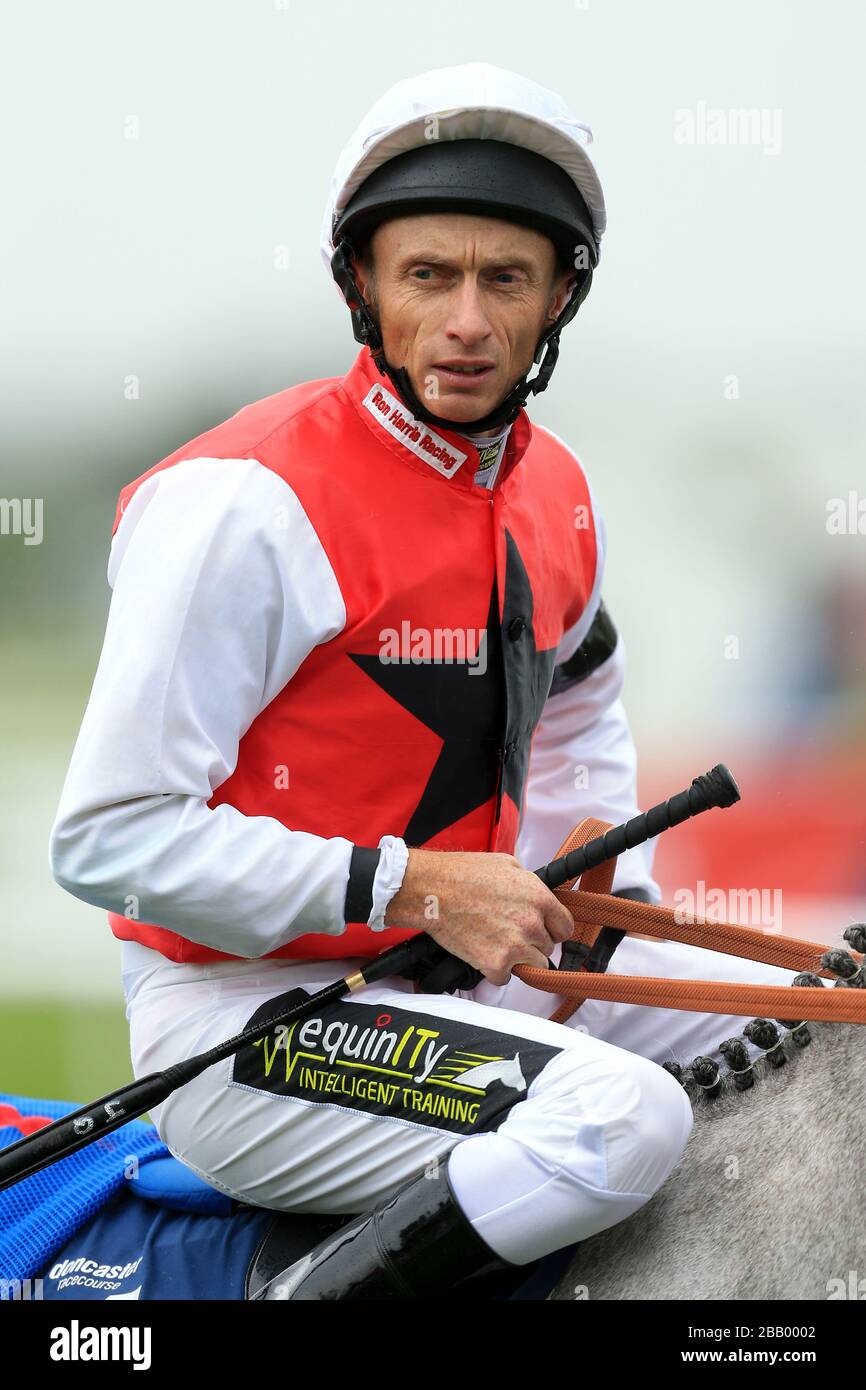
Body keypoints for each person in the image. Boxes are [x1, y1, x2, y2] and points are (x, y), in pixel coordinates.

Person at [49, 63, 799, 1299]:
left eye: (504, 279)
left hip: (469, 976)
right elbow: (107, 840)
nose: (465, 321)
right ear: (361, 285)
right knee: (621, 1123)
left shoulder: (554, 487)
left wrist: (592, 883)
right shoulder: (240, 505)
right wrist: (415, 888)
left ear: (560, 295)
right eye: (426, 276)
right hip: (250, 1021)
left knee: (830, 1014)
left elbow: (575, 710)